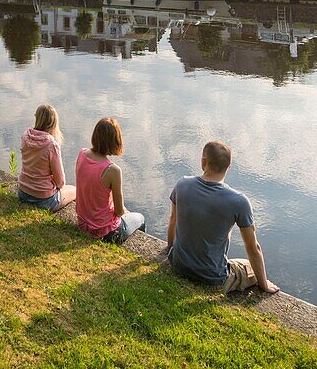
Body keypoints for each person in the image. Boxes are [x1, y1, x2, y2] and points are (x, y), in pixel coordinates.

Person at [166, 140, 279, 294]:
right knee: (250, 267)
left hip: (178, 264)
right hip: (212, 277)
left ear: (203, 162)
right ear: (229, 166)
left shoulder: (182, 184)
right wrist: (264, 284)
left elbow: (173, 220)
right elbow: (253, 248)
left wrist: (170, 251)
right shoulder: (239, 201)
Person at [74, 117, 145, 244]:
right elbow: (119, 211)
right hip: (105, 231)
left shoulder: (82, 154)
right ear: (115, 141)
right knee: (140, 218)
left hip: (83, 223)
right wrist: (124, 211)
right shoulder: (112, 170)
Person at [16, 104, 76, 212]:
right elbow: (61, 182)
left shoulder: (25, 136)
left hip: (22, 192)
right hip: (43, 200)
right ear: (54, 123)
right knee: (75, 190)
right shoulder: (51, 145)